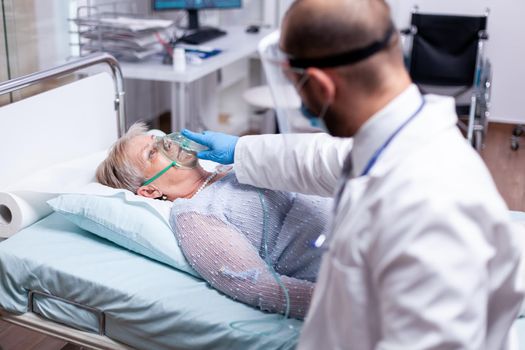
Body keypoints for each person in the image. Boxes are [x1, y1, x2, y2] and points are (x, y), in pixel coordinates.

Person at [181, 0, 525, 348]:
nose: (303, 103)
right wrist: (240, 149)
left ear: (322, 86)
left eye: (298, 89)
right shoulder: (388, 142)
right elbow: (321, 158)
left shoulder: (430, 206)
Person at [95, 122, 346, 319]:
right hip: (350, 267)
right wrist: (347, 305)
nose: (167, 143)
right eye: (152, 153)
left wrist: (241, 150)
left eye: (159, 139)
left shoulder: (228, 168)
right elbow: (257, 286)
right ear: (149, 191)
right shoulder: (195, 215)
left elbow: (313, 167)